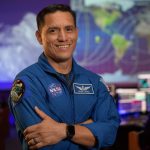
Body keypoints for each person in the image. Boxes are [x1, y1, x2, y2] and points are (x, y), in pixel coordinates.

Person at [8, 4, 120, 150]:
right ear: (39, 37)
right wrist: (89, 130)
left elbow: (110, 133)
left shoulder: (94, 81)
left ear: (76, 33)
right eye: (53, 31)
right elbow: (42, 143)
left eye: (68, 29)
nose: (63, 37)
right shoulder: (27, 82)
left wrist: (63, 130)